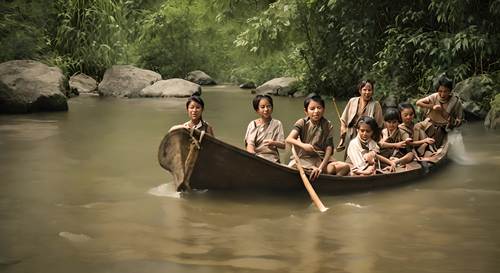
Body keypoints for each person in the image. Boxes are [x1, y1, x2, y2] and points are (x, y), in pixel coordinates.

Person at [286, 93, 350, 180]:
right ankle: (313, 170)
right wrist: (303, 146)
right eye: (312, 109)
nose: (316, 111)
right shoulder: (302, 122)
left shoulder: (327, 125)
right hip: (304, 158)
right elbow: (289, 139)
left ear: (323, 110)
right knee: (292, 167)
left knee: (345, 167)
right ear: (306, 111)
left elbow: (329, 149)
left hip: (320, 159)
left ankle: (333, 180)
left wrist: (320, 168)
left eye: (319, 108)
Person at [415, 76, 463, 150]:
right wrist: (432, 106)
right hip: (430, 123)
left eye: (445, 91)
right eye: (440, 91)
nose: (442, 94)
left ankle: (431, 148)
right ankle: (416, 147)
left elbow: (459, 120)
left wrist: (441, 110)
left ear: (450, 91)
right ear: (437, 90)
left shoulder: (456, 102)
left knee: (438, 140)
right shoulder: (434, 97)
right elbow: (418, 103)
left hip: (444, 127)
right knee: (417, 126)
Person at [337, 79, 384, 153]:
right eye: (364, 90)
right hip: (351, 134)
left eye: (369, 90)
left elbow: (379, 126)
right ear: (360, 91)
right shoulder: (352, 101)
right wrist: (343, 128)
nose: (367, 92)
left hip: (367, 136)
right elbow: (344, 119)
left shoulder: (376, 104)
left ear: (373, 91)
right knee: (349, 156)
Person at [244, 95, 285, 163]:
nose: (266, 109)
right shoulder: (253, 124)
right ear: (257, 110)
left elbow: (283, 145)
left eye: (268, 106)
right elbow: (250, 145)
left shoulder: (277, 124)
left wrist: (274, 143)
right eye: (262, 107)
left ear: (272, 107)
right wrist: (253, 157)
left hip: (273, 160)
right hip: (257, 158)